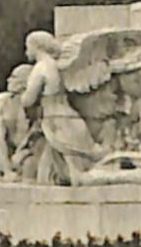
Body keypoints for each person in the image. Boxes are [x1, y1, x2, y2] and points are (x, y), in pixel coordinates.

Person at [21, 30, 107, 186]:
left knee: (79, 177)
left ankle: (132, 177)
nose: (26, 51)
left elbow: (28, 100)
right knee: (46, 176)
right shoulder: (57, 66)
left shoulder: (41, 67)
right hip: (67, 119)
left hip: (58, 124)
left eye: (28, 47)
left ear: (37, 47)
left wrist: (21, 94)